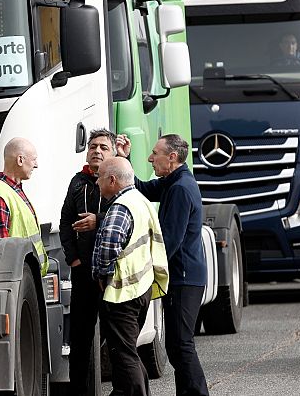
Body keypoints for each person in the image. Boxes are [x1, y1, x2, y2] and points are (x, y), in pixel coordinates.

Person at [116, 133, 210, 396]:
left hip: (183, 277)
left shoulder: (180, 188)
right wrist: (125, 158)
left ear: (172, 157)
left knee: (181, 346)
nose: (150, 158)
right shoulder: (174, 182)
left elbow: (169, 240)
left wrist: (143, 271)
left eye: (154, 153)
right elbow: (141, 189)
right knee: (178, 346)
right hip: (184, 276)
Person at [92, 157, 169, 396]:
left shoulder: (120, 207)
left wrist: (100, 274)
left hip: (122, 292)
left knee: (124, 355)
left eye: (100, 177)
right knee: (129, 352)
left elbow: (107, 249)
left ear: (112, 180)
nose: (96, 182)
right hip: (142, 286)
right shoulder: (141, 200)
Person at [59, 128, 118, 395]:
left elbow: (127, 214)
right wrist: (72, 260)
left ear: (113, 153)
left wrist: (99, 220)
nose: (96, 151)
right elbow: (64, 223)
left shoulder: (119, 182)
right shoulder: (77, 182)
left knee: (116, 338)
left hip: (112, 274)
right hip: (83, 273)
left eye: (104, 147)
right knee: (80, 340)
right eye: (93, 146)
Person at [0, 137, 48, 275]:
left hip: (25, 276)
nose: (36, 165)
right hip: (15, 278)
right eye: (34, 159)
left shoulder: (12, 191)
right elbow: (0, 248)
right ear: (20, 160)